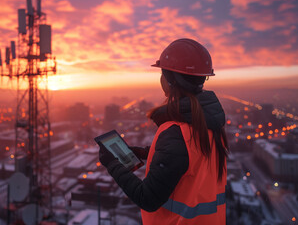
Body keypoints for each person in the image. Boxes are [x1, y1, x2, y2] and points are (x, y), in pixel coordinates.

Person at [98, 38, 228, 224]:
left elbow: (147, 198)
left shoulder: (176, 132)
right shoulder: (211, 124)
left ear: (171, 79)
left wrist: (112, 164)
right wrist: (145, 152)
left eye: (162, 73)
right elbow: (190, 158)